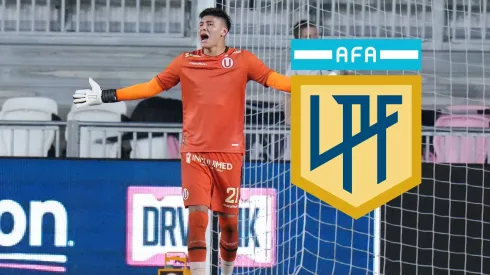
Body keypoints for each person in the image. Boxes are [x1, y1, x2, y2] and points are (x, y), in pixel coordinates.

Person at [72, 7, 291, 275]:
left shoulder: (243, 60)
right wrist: (107, 95)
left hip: (229, 153)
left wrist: (314, 88)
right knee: (197, 215)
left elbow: (276, 80)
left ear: (224, 31)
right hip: (194, 152)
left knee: (230, 225)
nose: (204, 28)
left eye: (210, 23)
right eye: (201, 24)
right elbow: (152, 87)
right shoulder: (185, 61)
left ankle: (226, 271)